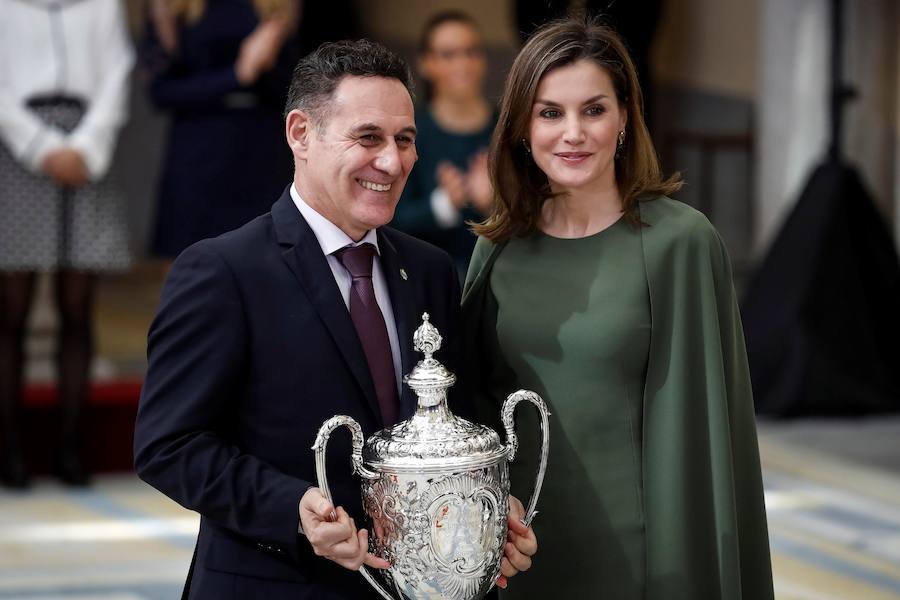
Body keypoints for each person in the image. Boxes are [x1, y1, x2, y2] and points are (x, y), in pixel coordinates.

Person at [134, 39, 536, 599]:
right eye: (368, 137)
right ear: (301, 133)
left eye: (405, 140)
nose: (392, 162)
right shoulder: (221, 271)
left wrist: (491, 508)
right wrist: (292, 508)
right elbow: (169, 444)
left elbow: (457, 418)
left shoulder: (430, 271)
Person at [461, 19, 774, 599]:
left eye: (594, 110)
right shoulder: (497, 247)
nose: (572, 133)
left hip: (643, 559)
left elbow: (706, 440)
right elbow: (470, 404)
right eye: (550, 112)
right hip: (515, 551)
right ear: (521, 127)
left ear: (626, 117)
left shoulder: (679, 243)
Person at [0, 0, 134, 488]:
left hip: (87, 153)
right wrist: (39, 147)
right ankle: (10, 452)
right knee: (10, 313)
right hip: (16, 153)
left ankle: (71, 449)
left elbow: (118, 73)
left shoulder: (103, 6)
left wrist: (86, 148)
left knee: (77, 308)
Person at [144, 0, 299, 261]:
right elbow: (161, 93)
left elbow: (297, 90)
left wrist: (267, 61)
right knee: (190, 272)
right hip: (198, 150)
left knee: (267, 267)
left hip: (263, 150)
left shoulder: (279, 6)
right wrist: (238, 74)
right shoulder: (170, 6)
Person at [390, 11, 495, 274]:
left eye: (471, 52)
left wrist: (496, 206)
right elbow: (389, 218)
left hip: (499, 277)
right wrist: (443, 204)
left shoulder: (508, 127)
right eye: (449, 55)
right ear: (426, 63)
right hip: (427, 279)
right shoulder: (407, 130)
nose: (463, 64)